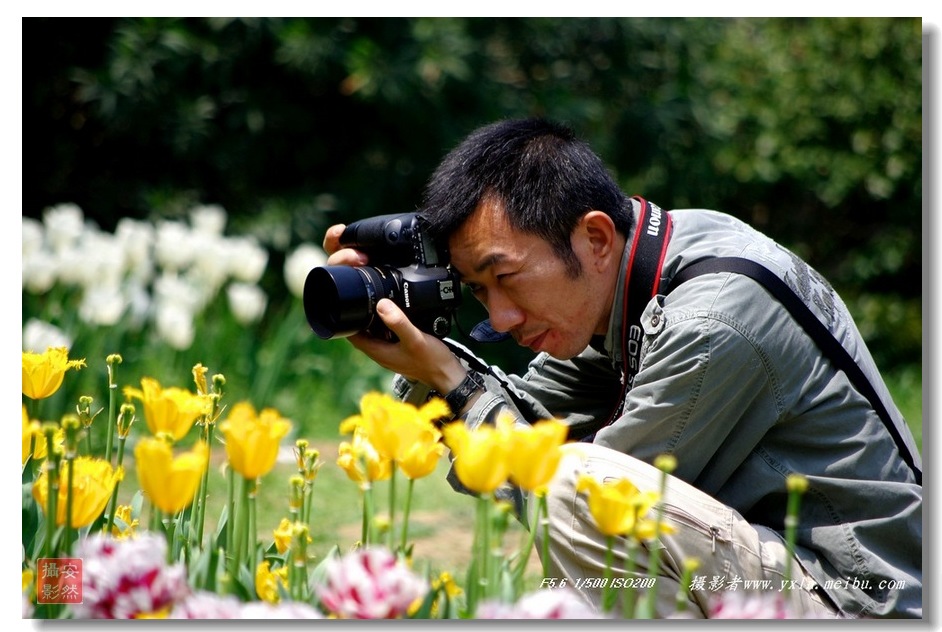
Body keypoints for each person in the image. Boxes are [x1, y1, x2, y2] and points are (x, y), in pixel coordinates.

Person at [322, 118, 922, 618]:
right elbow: (529, 433)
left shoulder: (711, 320)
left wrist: (455, 385)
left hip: (862, 600)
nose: (500, 317)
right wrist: (420, 355)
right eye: (478, 290)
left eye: (504, 277)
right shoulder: (637, 275)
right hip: (795, 575)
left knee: (576, 488)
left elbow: (579, 496)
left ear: (596, 237)